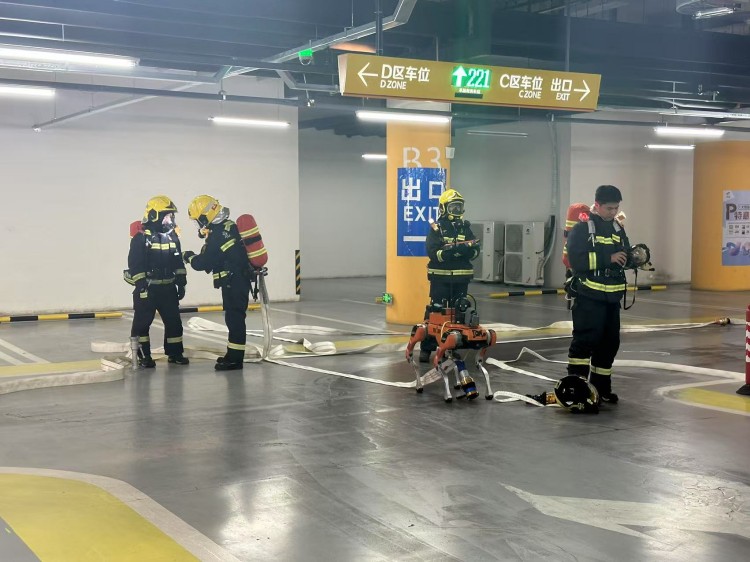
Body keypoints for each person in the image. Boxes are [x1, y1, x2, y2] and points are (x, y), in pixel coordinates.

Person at [564, 184, 630, 403]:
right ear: (597, 205)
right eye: (609, 208)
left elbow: (625, 252)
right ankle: (577, 389)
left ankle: (601, 389)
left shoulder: (617, 228)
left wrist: (633, 258)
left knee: (609, 344)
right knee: (585, 341)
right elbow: (577, 260)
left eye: (616, 208)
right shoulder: (582, 228)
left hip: (612, 298)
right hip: (589, 296)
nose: (613, 212)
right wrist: (608, 258)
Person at [183, 195, 252, 371]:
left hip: (234, 282)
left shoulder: (218, 235)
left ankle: (235, 360)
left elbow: (203, 263)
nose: (198, 225)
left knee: (235, 319)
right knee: (233, 318)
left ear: (205, 217)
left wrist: (188, 256)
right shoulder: (227, 227)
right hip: (236, 280)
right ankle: (232, 354)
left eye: (197, 220)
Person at [127, 195, 189, 368]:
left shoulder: (173, 237)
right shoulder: (141, 238)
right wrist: (141, 287)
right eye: (167, 215)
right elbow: (135, 265)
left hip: (168, 288)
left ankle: (175, 354)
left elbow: (178, 262)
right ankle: (143, 356)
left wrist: (181, 281)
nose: (170, 219)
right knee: (142, 324)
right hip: (148, 289)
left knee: (174, 323)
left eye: (171, 216)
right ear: (154, 215)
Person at [419, 188, 480, 363]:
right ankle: (427, 348)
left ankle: (450, 349)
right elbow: (433, 253)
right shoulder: (437, 229)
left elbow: (475, 250)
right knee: (436, 312)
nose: (457, 211)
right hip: (440, 279)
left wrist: (464, 250)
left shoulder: (465, 228)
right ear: (444, 208)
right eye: (453, 207)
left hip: (461, 278)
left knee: (458, 315)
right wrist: (454, 252)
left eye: (459, 207)